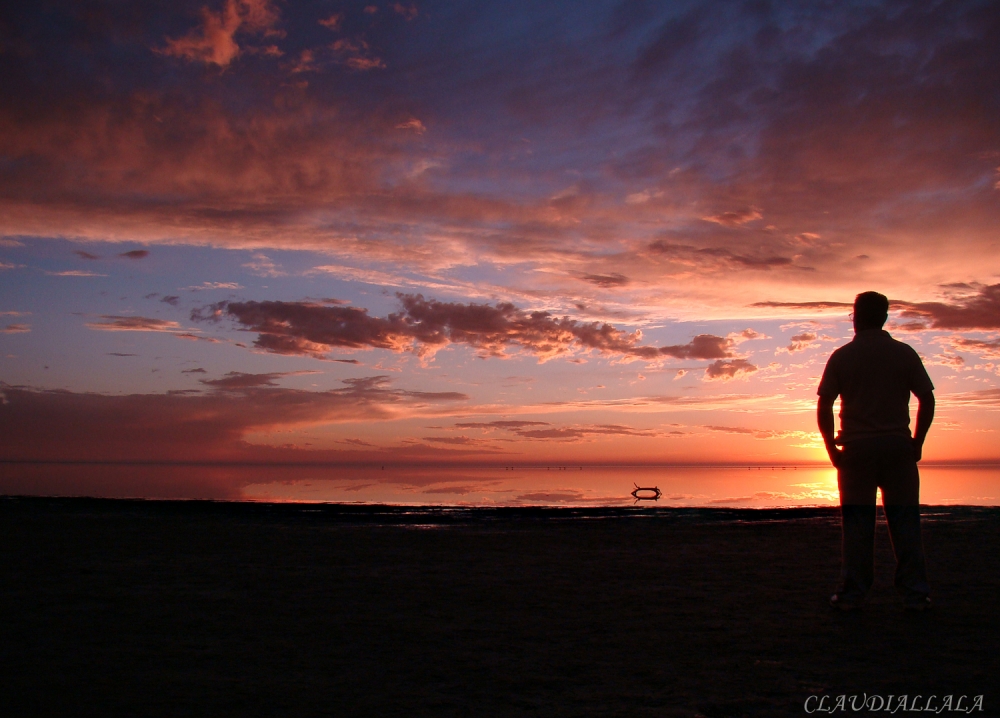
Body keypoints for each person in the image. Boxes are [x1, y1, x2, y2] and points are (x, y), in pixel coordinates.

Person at [817, 291, 935, 611]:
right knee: (905, 521)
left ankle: (853, 593)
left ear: (857, 316)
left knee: (857, 524)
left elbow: (824, 403)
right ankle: (915, 592)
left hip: (857, 450)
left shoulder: (843, 356)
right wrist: (917, 441)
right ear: (883, 317)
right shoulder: (904, 353)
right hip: (897, 448)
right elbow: (927, 397)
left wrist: (831, 448)